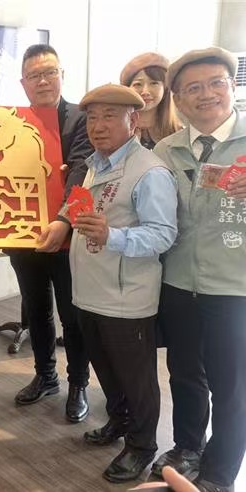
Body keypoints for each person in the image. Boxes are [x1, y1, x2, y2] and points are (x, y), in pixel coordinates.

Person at [70, 84, 177, 483]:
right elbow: (82, 210)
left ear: (134, 121)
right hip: (90, 291)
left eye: (110, 116)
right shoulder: (94, 164)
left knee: (137, 379)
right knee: (106, 368)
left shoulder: (150, 171)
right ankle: (118, 421)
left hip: (125, 297)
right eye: (92, 117)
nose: (98, 126)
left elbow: (163, 234)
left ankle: (142, 446)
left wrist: (111, 236)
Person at [152, 46, 246, 492]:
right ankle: (187, 445)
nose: (206, 94)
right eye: (193, 88)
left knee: (232, 385)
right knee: (185, 373)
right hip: (178, 281)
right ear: (177, 99)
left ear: (232, 87)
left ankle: (219, 474)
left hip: (235, 286)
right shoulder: (166, 150)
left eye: (215, 83)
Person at [11, 44, 93, 423]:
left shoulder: (81, 119)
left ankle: (78, 384)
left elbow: (81, 171)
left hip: (67, 237)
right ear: (23, 82)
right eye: (34, 75)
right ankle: (45, 376)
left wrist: (63, 219)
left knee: (72, 314)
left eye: (49, 72)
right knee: (36, 309)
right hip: (22, 236)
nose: (42, 81)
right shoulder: (11, 120)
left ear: (62, 75)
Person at [120, 52, 182, 149]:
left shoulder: (179, 134)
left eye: (154, 83)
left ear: (165, 88)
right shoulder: (115, 131)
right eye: (138, 84)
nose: (145, 92)